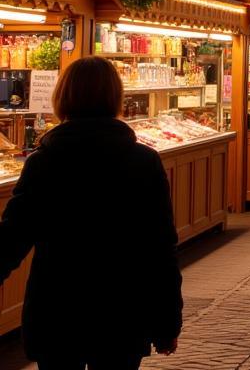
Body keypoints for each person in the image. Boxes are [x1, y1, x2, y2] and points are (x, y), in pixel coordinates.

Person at [0, 56, 181, 367]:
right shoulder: (143, 162)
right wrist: (167, 322)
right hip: (122, 311)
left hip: (56, 309)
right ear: (116, 97)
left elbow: (13, 237)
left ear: (63, 97)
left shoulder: (44, 162)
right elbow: (160, 247)